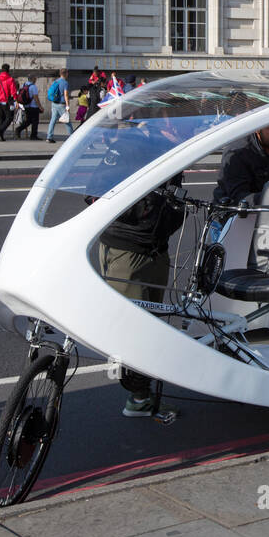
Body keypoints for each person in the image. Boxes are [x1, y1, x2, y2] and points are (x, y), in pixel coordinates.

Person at [97, 172, 186, 417]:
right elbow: (96, 194)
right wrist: (145, 211)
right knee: (132, 327)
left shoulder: (172, 150)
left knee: (151, 324)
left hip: (155, 248)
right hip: (129, 248)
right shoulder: (137, 147)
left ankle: (142, 395)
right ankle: (138, 397)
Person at [0, 64, 19, 141]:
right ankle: (0, 130)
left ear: (1, 70)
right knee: (9, 118)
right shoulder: (10, 79)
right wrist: (17, 101)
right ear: (8, 70)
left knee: (1, 118)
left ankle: (0, 136)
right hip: (6, 101)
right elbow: (13, 91)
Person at [45, 67, 74, 142]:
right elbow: (66, 95)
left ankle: (49, 137)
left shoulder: (56, 81)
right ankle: (72, 137)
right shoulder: (65, 83)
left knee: (53, 120)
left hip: (54, 103)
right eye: (67, 73)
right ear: (65, 74)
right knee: (67, 121)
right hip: (62, 104)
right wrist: (67, 105)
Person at [18, 75, 42, 139]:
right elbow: (35, 97)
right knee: (35, 121)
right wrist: (40, 106)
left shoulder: (24, 85)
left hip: (26, 105)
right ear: (33, 79)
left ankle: (18, 129)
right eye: (35, 79)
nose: (36, 80)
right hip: (33, 106)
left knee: (28, 121)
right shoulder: (33, 87)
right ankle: (33, 135)